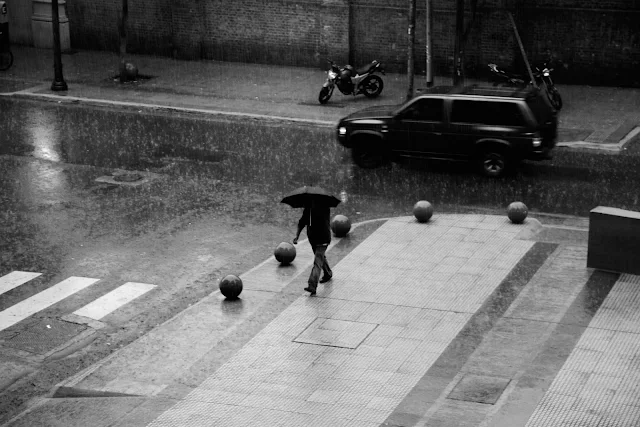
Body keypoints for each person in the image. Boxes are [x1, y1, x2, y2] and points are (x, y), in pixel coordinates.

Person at [293, 199, 333, 295]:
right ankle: (328, 273)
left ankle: (312, 285)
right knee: (320, 256)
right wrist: (297, 235)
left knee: (317, 262)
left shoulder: (324, 207)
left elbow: (303, 221)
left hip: (323, 239)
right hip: (314, 239)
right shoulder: (309, 209)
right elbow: (302, 221)